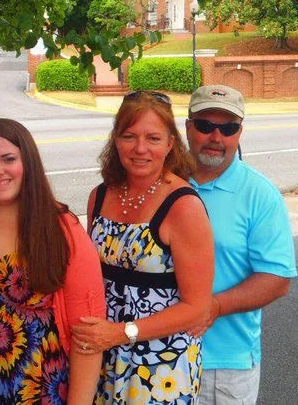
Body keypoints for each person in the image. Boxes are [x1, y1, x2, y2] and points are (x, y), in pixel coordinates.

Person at [0, 118, 105, 404]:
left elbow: (88, 336)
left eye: (8, 159)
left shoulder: (61, 230)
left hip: (34, 393)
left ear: (28, 161)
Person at [72, 90, 214, 405]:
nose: (140, 148)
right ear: (116, 140)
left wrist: (123, 332)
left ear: (170, 144)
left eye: (152, 138)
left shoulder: (183, 206)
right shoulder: (100, 195)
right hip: (103, 358)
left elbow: (197, 307)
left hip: (160, 367)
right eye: (129, 136)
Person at [185, 85, 297, 405]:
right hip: (161, 354)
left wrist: (215, 306)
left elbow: (277, 280)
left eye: (229, 128)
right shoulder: (167, 183)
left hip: (224, 369)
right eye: (206, 125)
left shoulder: (260, 195)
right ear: (189, 126)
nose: (216, 137)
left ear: (239, 132)